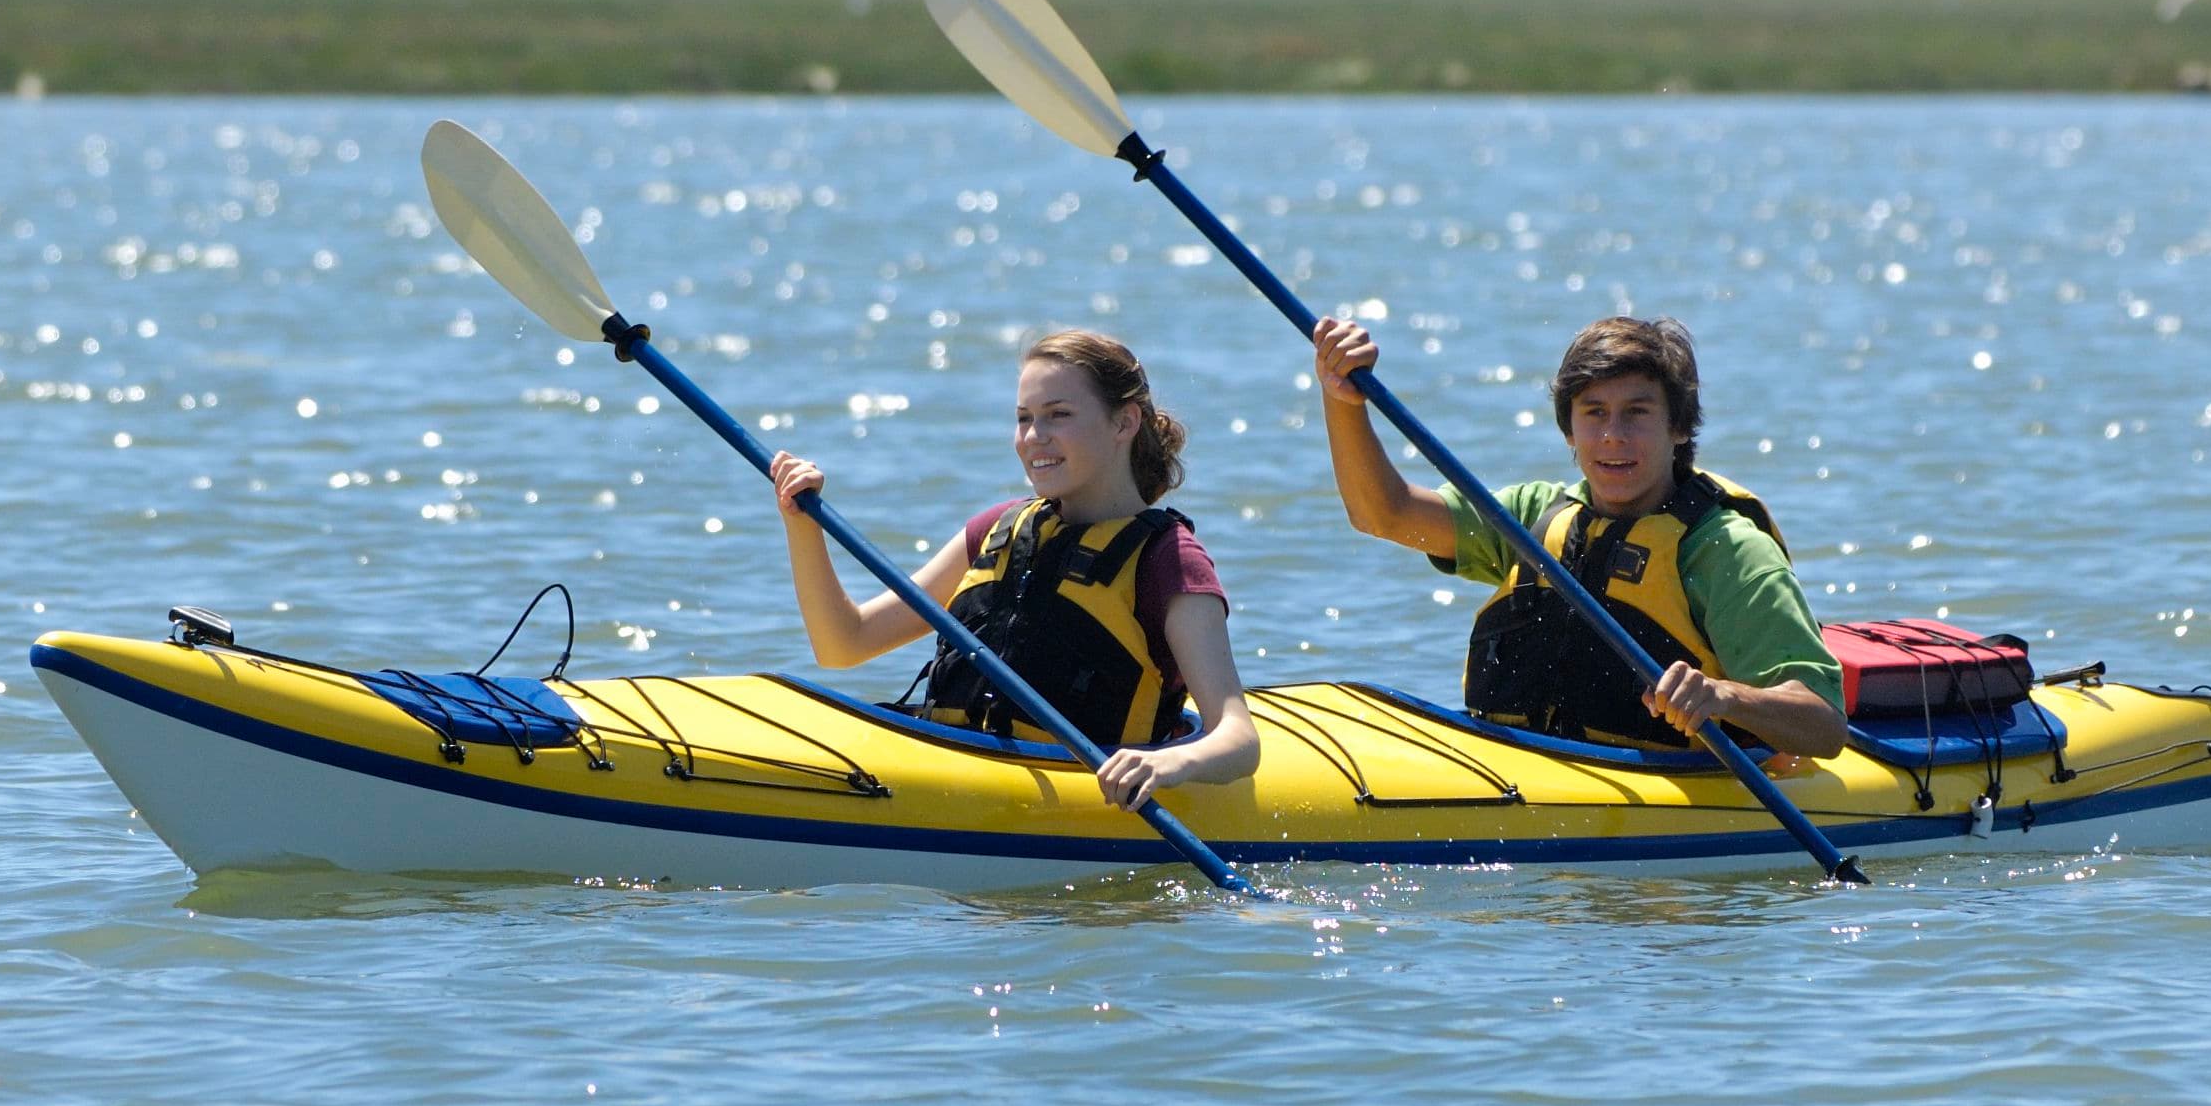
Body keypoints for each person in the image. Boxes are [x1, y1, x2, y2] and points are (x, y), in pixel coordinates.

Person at [1310, 312, 1846, 758]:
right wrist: (1342, 397)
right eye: (1594, 413)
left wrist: (1724, 697)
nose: (1613, 435)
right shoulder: (1533, 515)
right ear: (1569, 430)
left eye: (1637, 412)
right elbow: (1385, 514)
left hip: (1680, 800)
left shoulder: (1728, 552)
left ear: (1679, 427)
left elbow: (1824, 726)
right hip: (1529, 767)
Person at [768, 329, 1259, 810]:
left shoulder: (1168, 560)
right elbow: (843, 644)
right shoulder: (997, 530)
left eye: (1058, 415)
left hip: (1084, 802)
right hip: (958, 774)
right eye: (1024, 418)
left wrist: (1168, 765)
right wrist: (802, 524)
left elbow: (1238, 738)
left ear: (1124, 423)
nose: (1033, 437)